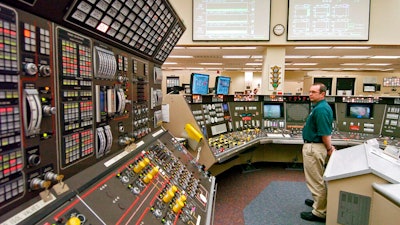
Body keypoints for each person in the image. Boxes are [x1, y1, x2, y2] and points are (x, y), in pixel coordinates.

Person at [301, 83, 335, 222]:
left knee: (315, 180)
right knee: (317, 177)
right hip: (315, 147)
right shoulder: (320, 107)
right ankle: (319, 202)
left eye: (314, 92)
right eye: (309, 91)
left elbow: (325, 133)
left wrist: (329, 149)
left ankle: (320, 212)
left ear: (322, 94)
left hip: (315, 148)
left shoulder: (321, 110)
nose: (310, 94)